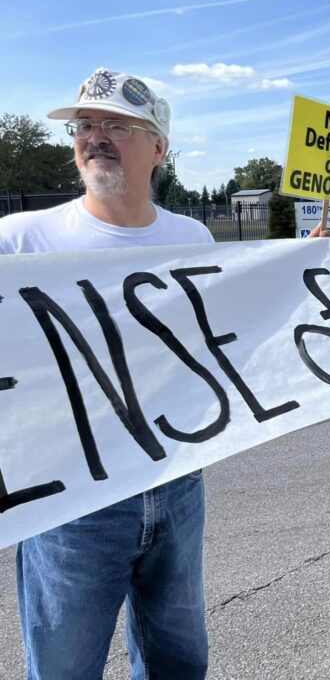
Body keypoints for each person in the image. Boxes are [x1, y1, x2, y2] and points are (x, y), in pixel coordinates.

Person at [0, 68, 227, 679]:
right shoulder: (18, 243)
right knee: (65, 666)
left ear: (159, 146)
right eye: (85, 126)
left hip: (177, 482)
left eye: (116, 126)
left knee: (178, 660)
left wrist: (307, 263)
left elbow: (234, 334)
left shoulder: (194, 237)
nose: (94, 137)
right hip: (72, 499)